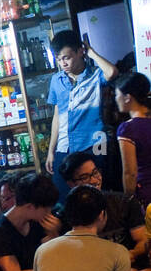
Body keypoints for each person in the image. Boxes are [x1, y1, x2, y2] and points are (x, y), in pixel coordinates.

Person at [46, 29, 118, 198]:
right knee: (65, 197)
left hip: (95, 143)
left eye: (67, 57)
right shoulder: (56, 80)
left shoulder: (95, 74)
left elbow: (112, 72)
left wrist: (91, 52)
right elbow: (57, 116)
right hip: (65, 146)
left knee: (100, 192)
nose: (62, 63)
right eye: (58, 59)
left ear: (80, 52)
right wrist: (51, 150)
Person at [57, 151, 147, 251]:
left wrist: (128, 257)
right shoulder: (67, 215)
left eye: (95, 173)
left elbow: (143, 241)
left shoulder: (125, 203)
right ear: (70, 183)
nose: (94, 180)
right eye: (85, 177)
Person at [115, 71, 151, 207]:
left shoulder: (128, 129)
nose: (115, 99)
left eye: (117, 95)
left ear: (127, 97)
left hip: (146, 194)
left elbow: (130, 173)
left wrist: (128, 201)